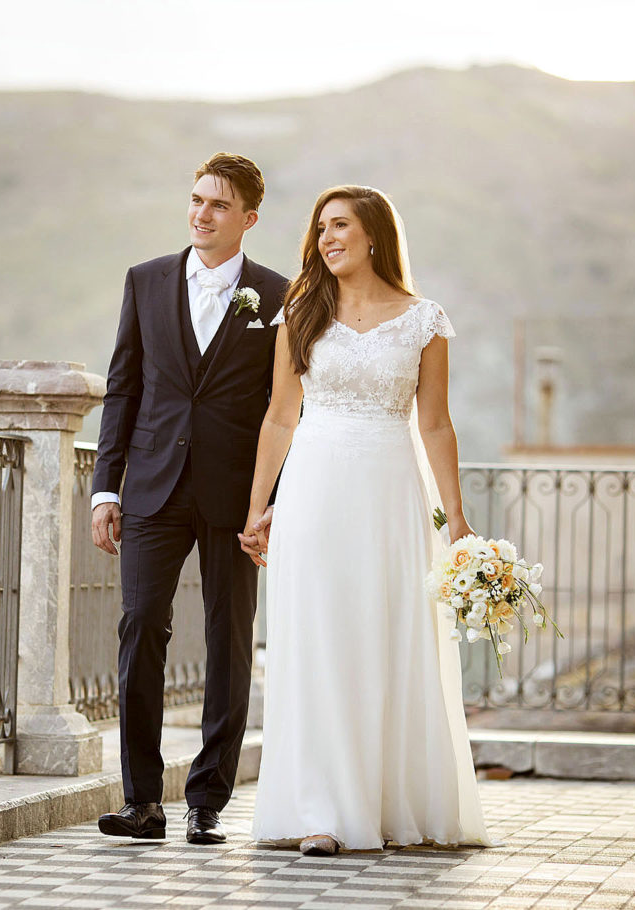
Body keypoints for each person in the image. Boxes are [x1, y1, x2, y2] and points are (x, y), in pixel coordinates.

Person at [239, 185, 494, 854]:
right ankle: (321, 812)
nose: (326, 238)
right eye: (320, 227)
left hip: (388, 493)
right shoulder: (300, 313)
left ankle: (386, 804)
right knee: (318, 642)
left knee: (383, 639)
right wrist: (258, 506)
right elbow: (279, 416)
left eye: (340, 225)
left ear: (374, 234)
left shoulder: (423, 320)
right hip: (314, 495)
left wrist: (457, 521)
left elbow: (435, 423)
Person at [91, 153, 288, 845]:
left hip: (235, 497)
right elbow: (124, 387)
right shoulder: (145, 281)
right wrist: (105, 488)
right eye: (196, 200)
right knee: (140, 627)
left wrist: (272, 503)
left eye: (219, 206)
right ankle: (141, 799)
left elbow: (284, 407)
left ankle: (207, 801)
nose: (202, 215)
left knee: (228, 642)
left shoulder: (277, 295)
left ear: (248, 219)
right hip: (149, 487)